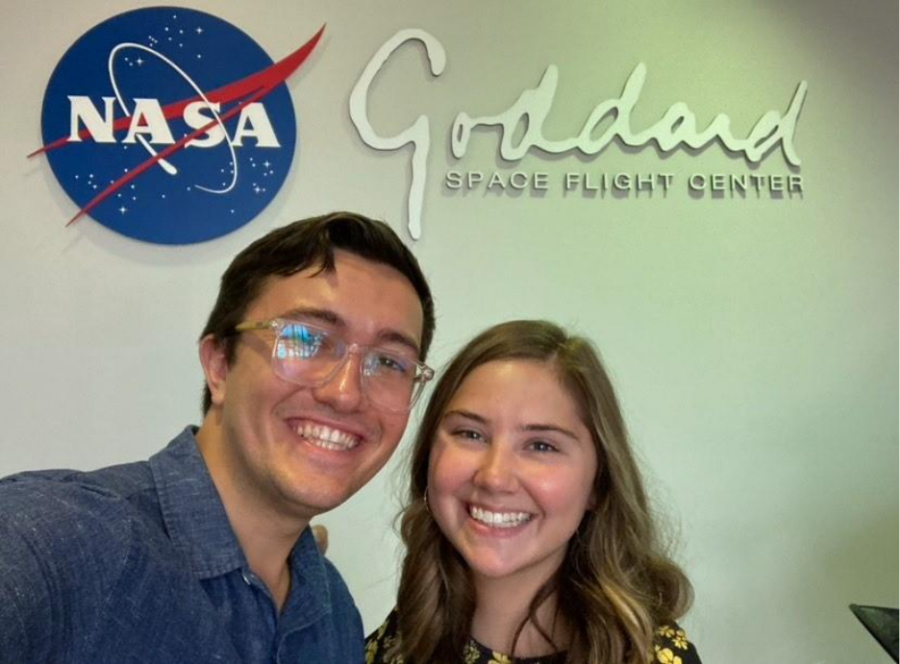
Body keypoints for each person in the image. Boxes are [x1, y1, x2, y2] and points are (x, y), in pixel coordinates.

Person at [0, 212, 436, 664]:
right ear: (219, 364)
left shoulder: (332, 611)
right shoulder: (61, 541)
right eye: (307, 339)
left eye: (389, 363)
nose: (345, 394)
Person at [366, 320, 701, 664]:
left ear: (598, 485)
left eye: (541, 445)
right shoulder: (400, 638)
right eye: (470, 434)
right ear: (428, 458)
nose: (494, 477)